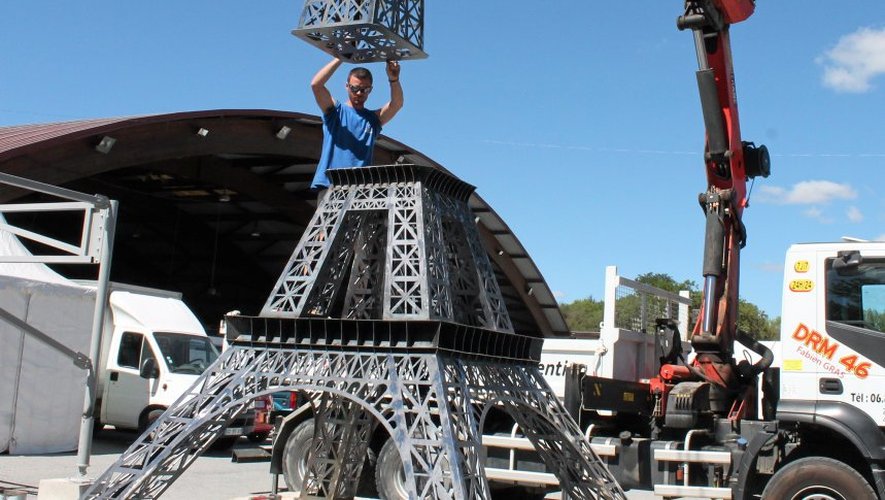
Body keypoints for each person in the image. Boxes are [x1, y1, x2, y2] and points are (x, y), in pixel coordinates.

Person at [309, 57, 403, 192]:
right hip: (330, 184)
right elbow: (316, 85)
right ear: (347, 86)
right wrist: (340, 58)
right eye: (355, 88)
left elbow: (396, 104)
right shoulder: (336, 112)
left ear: (371, 89)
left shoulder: (373, 119)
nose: (359, 93)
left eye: (365, 90)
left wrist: (394, 80)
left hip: (359, 189)